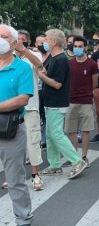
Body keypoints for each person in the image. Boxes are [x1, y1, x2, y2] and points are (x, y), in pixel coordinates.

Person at [39, 29, 87, 179]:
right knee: (50, 134)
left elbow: (57, 84)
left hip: (57, 102)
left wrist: (41, 76)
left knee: (56, 134)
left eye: (46, 39)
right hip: (49, 102)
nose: (43, 43)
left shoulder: (60, 60)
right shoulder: (53, 58)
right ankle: (54, 165)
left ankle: (77, 161)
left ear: (53, 42)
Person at [0, 24, 34, 225]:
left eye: (3, 36)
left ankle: (23, 218)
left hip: (10, 128)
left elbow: (23, 99)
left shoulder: (22, 67)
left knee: (15, 179)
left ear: (14, 42)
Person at [15, 30, 45, 191]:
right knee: (13, 144)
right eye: (16, 40)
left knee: (33, 141)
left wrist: (24, 50)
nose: (19, 42)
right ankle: (15, 177)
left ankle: (35, 175)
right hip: (11, 107)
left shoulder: (34, 55)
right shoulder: (7, 57)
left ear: (28, 41)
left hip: (30, 106)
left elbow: (40, 65)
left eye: (22, 40)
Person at [64, 36, 99, 168]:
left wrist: (87, 93)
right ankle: (74, 156)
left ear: (85, 48)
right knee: (71, 130)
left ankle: (84, 156)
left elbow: (94, 84)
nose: (77, 48)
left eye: (80, 46)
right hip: (70, 101)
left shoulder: (92, 64)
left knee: (85, 130)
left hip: (86, 101)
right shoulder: (69, 63)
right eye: (75, 46)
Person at [34, 35, 49, 149]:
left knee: (46, 114)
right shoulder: (34, 56)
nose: (43, 45)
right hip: (36, 90)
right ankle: (42, 138)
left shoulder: (52, 56)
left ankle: (47, 138)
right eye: (40, 43)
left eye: (44, 42)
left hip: (48, 89)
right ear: (35, 45)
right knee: (39, 114)